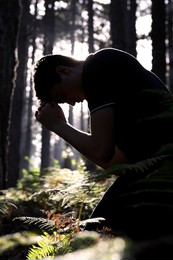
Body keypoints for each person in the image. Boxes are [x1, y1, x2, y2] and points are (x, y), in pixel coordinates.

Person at [34, 48, 173, 240]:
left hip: (160, 172)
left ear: (64, 71)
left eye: (62, 95)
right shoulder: (107, 78)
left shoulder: (97, 66)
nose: (71, 103)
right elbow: (119, 165)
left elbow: (102, 151)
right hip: (153, 173)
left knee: (92, 240)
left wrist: (59, 126)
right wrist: (61, 127)